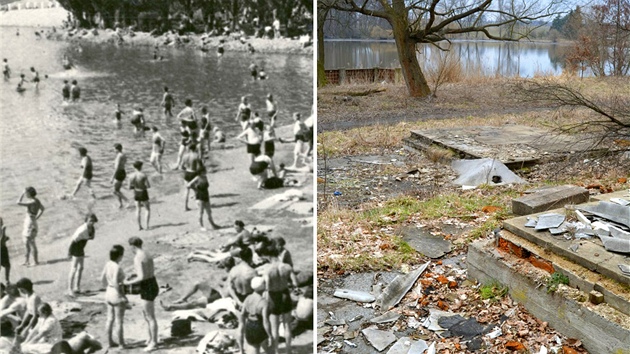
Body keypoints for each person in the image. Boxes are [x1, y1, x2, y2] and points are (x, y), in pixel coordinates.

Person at [124, 237, 159, 352]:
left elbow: (141, 277)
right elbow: (146, 271)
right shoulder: (146, 254)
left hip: (146, 286)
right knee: (147, 315)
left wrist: (127, 282)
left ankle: (154, 342)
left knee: (150, 317)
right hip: (153, 283)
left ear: (132, 246)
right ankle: (150, 338)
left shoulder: (137, 258)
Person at [263, 250, 298, 354]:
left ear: (269, 257)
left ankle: (277, 351)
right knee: (287, 325)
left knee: (275, 327)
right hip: (285, 294)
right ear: (278, 255)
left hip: (274, 296)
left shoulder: (268, 269)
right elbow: (295, 283)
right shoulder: (286, 267)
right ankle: (288, 350)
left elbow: (267, 286)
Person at [101, 245, 128, 349]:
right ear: (119, 256)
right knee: (119, 320)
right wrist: (122, 296)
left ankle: (110, 342)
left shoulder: (108, 264)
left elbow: (102, 278)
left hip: (108, 291)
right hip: (116, 293)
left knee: (110, 319)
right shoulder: (117, 266)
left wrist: (107, 286)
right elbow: (116, 281)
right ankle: (121, 344)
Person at [66, 214, 98, 297]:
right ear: (86, 221)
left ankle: (77, 287)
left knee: (80, 268)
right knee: (74, 269)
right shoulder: (82, 230)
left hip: (81, 247)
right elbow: (72, 241)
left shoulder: (91, 228)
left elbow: (91, 237)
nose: (92, 222)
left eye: (93, 221)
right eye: (90, 221)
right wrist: (69, 252)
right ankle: (69, 289)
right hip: (76, 247)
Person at [239, 277, 271, 354]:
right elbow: (265, 321)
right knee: (265, 343)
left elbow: (242, 313)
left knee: (254, 347)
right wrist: (270, 335)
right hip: (259, 326)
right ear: (263, 287)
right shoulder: (264, 302)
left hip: (249, 325)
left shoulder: (248, 298)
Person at [17, 187, 45, 266]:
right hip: (32, 222)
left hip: (30, 224)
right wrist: (37, 218)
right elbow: (43, 209)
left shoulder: (31, 202)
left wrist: (21, 194)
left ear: (29, 193)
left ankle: (35, 262)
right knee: (29, 242)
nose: (25, 194)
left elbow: (18, 202)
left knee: (30, 243)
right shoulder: (37, 200)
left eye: (26, 193)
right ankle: (27, 261)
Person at [129, 161, 151, 231]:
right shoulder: (143, 175)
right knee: (147, 209)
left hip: (136, 192)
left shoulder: (131, 176)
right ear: (141, 167)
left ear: (134, 167)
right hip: (143, 192)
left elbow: (129, 187)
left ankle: (139, 226)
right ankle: (147, 226)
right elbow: (148, 186)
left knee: (138, 210)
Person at [182, 144, 203, 211]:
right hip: (194, 173)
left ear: (189, 148)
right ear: (195, 148)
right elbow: (200, 167)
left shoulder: (185, 156)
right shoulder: (196, 156)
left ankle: (185, 207)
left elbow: (182, 166)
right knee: (197, 190)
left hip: (187, 173)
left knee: (186, 190)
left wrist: (185, 169)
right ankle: (198, 205)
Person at [111, 144, 129, 208]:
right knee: (117, 190)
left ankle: (127, 200)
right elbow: (123, 163)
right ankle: (120, 204)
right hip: (123, 172)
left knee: (114, 191)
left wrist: (112, 177)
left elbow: (117, 167)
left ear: (117, 149)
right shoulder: (123, 155)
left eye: (114, 149)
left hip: (118, 173)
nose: (114, 150)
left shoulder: (119, 156)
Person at [0, 218, 10, 283]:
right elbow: (1, 241)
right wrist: (3, 232)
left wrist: (6, 238)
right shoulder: (1, 229)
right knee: (7, 265)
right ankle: (7, 280)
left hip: (2, 248)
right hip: (2, 249)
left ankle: (7, 280)